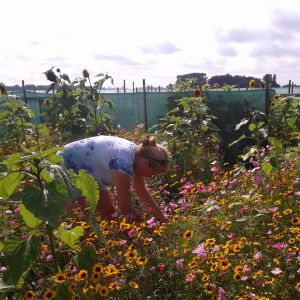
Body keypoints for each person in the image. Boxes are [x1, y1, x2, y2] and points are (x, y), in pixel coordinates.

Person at [57, 135, 169, 222]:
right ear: (145, 163)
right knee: (82, 222)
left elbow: (141, 191)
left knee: (111, 216)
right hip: (66, 164)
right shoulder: (124, 160)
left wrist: (161, 216)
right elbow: (125, 207)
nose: (150, 177)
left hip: (91, 171)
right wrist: (145, 228)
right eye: (153, 173)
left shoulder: (137, 156)